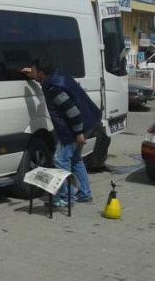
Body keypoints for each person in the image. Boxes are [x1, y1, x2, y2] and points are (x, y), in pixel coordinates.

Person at [21, 57, 102, 207]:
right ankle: (85, 194)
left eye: (34, 71)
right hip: (88, 121)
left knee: (60, 160)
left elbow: (73, 112)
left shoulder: (54, 89)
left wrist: (78, 133)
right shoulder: (57, 76)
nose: (32, 73)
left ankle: (65, 197)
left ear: (41, 74)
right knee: (75, 159)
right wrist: (32, 74)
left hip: (75, 127)